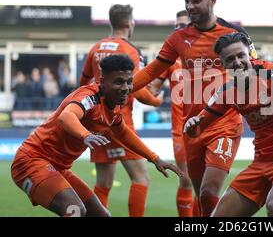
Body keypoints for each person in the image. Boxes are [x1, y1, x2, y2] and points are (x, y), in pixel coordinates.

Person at [132, 0, 257, 216]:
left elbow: (256, 70)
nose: (190, 6)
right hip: (193, 127)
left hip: (224, 124)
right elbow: (150, 73)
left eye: (196, 1)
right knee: (201, 198)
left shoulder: (234, 33)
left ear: (213, 0)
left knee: (210, 191)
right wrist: (119, 88)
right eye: (186, 1)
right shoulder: (178, 39)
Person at [10, 55, 182, 217]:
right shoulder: (90, 97)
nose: (125, 88)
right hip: (31, 161)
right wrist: (86, 135)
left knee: (101, 214)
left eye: (129, 82)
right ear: (102, 82)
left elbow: (122, 132)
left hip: (59, 168)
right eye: (118, 82)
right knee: (74, 209)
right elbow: (66, 116)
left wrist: (154, 158)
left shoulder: (113, 105)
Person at [184, 33, 273, 217]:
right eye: (230, 59)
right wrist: (192, 125)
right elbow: (198, 127)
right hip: (262, 162)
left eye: (240, 56)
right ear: (223, 65)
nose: (237, 62)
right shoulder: (228, 91)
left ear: (249, 54)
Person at [79, 4, 163, 217]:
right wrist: (155, 101)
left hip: (97, 122)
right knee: (141, 177)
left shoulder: (96, 48)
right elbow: (135, 87)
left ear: (111, 22)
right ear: (129, 23)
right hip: (119, 121)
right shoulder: (130, 50)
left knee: (104, 183)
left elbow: (83, 83)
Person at [149, 10, 195, 217]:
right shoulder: (171, 58)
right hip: (180, 130)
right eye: (176, 26)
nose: (178, 29)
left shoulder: (208, 55)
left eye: (182, 25)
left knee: (207, 184)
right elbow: (153, 88)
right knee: (185, 179)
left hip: (208, 126)